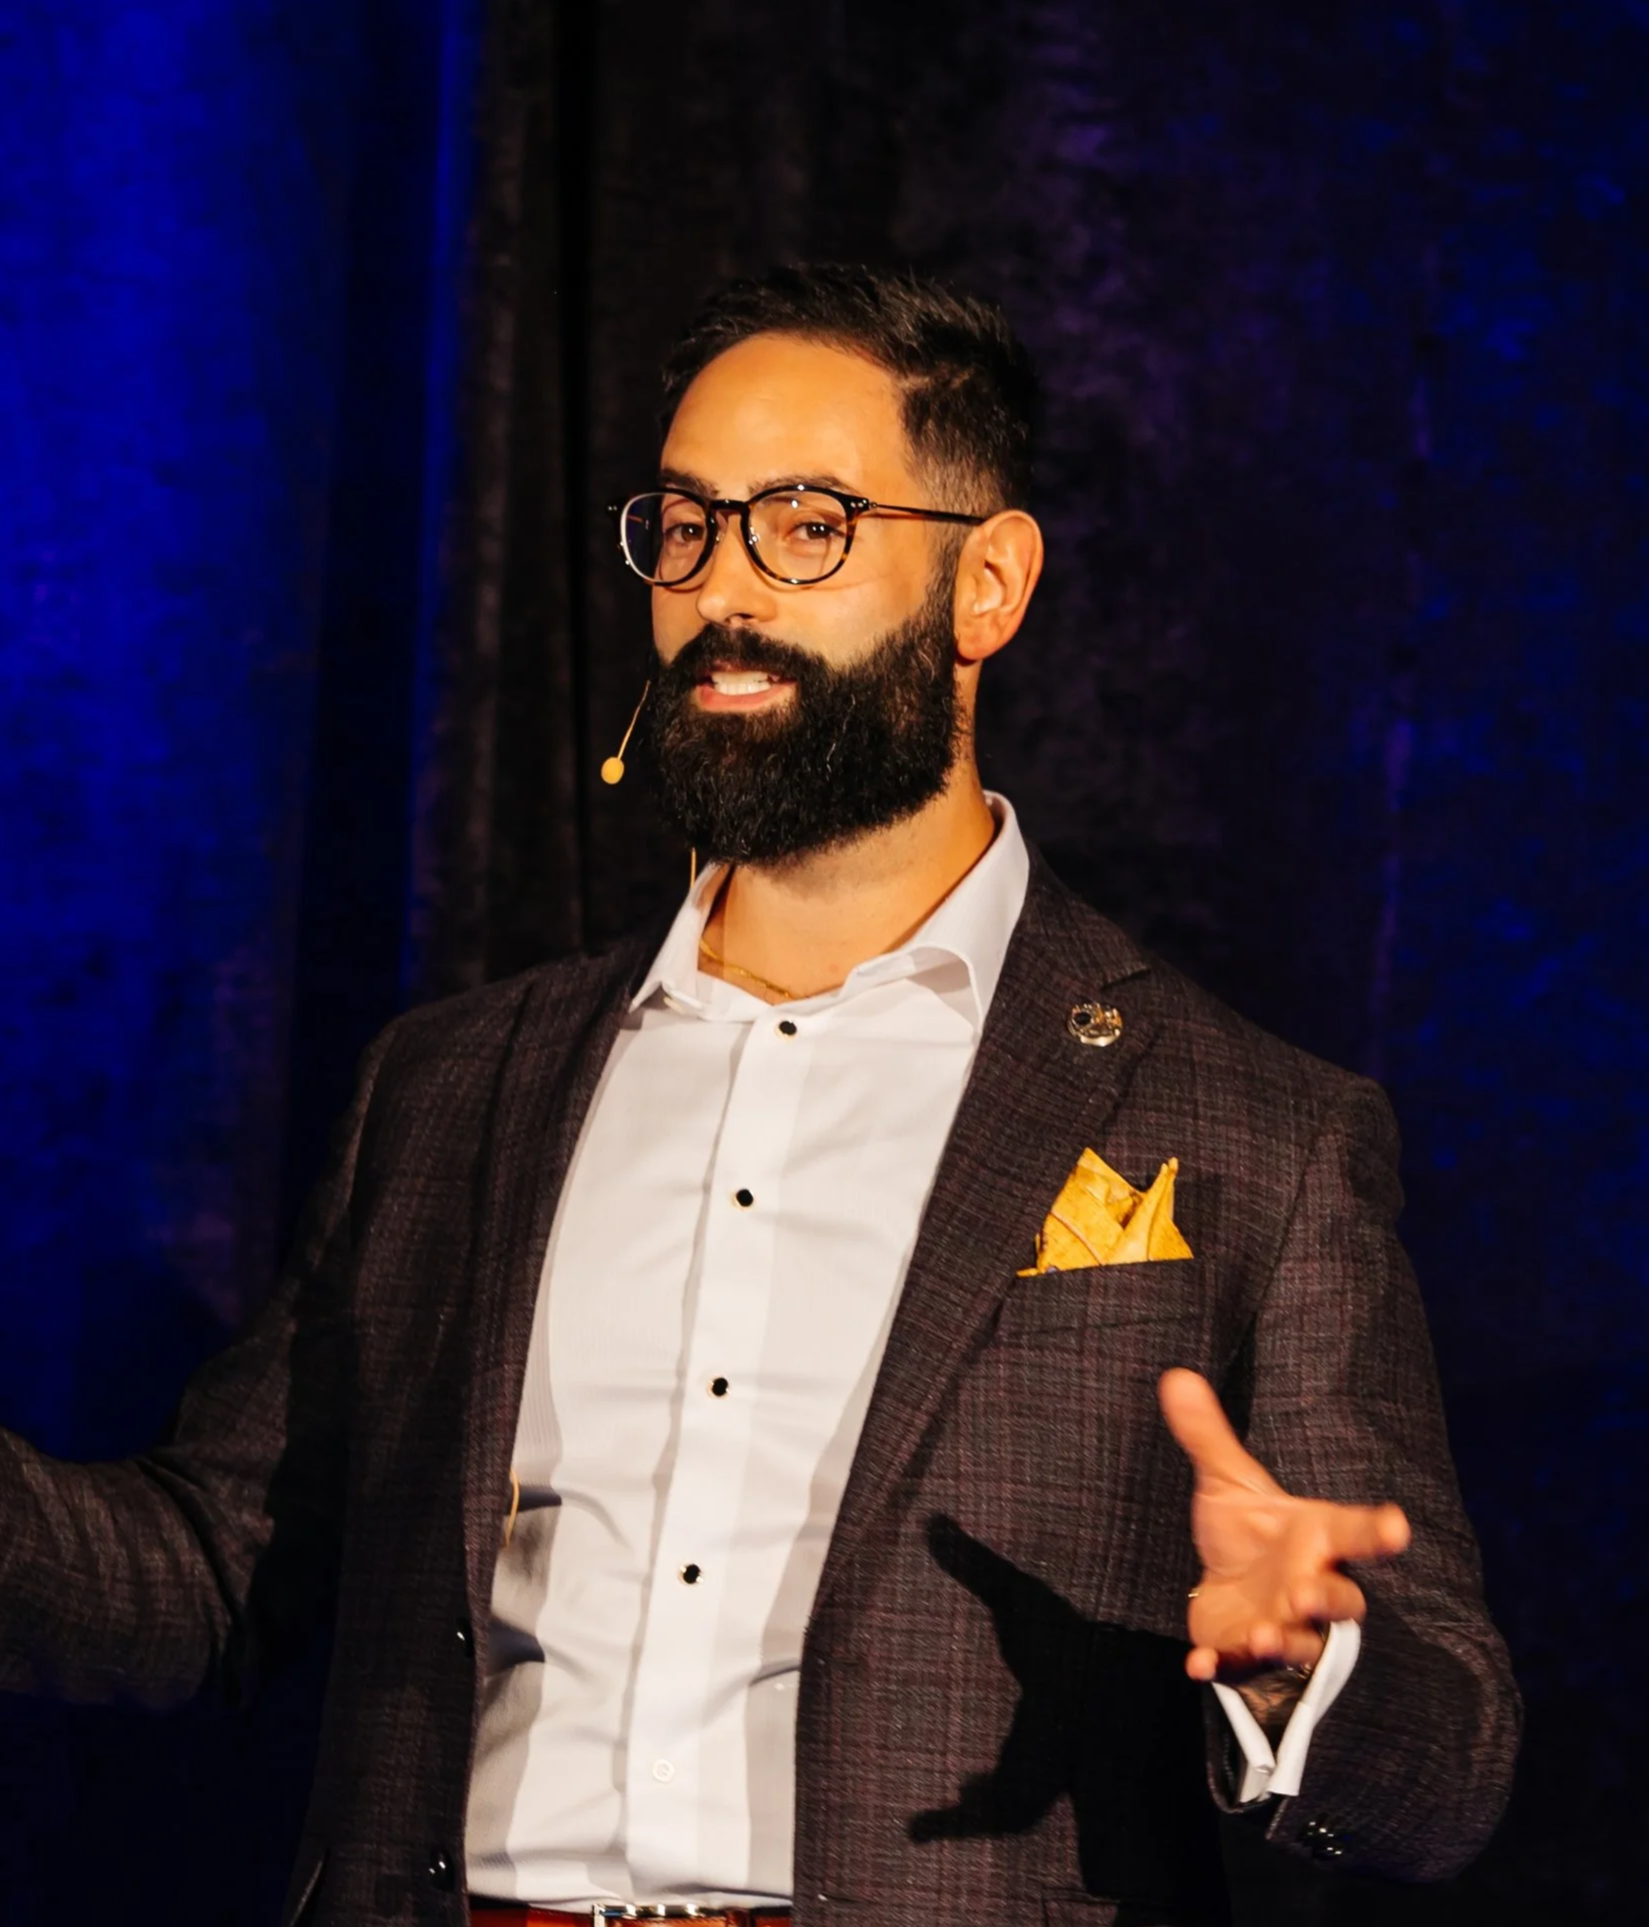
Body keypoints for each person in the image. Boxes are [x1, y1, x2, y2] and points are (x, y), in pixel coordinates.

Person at [0, 265, 1517, 1927]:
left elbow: (1449, 1772)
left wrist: (1311, 1665)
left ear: (988, 584)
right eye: (689, 524)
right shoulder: (454, 1088)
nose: (724, 588)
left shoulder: (1251, 1133)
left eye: (806, 524)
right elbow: (218, 1576)